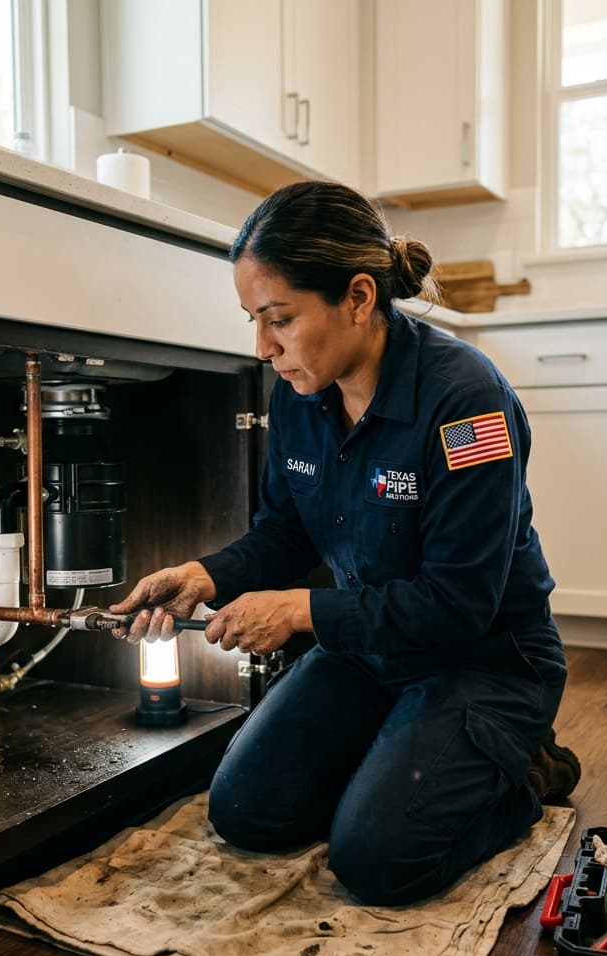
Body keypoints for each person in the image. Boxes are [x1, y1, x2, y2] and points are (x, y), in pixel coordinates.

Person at [109, 180, 580, 907]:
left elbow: (459, 605)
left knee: (376, 862)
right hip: (368, 651)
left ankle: (525, 774)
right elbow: (285, 530)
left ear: (358, 297)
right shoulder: (300, 392)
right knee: (246, 813)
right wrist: (204, 575)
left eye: (280, 319)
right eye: (253, 321)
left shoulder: (465, 401)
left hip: (483, 662)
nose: (263, 348)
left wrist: (299, 612)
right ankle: (400, 759)